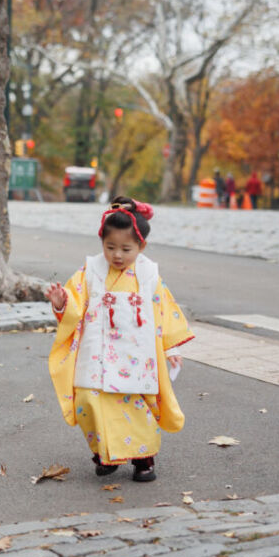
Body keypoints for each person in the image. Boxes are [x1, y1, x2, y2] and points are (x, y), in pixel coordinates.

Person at [45, 197, 193, 483]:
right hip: (97, 352)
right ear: (102, 242)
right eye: (110, 247)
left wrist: (171, 347)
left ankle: (142, 458)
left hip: (137, 354)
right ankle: (106, 453)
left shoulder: (149, 274)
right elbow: (74, 304)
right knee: (91, 400)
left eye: (126, 249)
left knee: (135, 404)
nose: (117, 256)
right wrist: (62, 301)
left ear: (141, 246)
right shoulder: (90, 271)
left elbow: (164, 312)